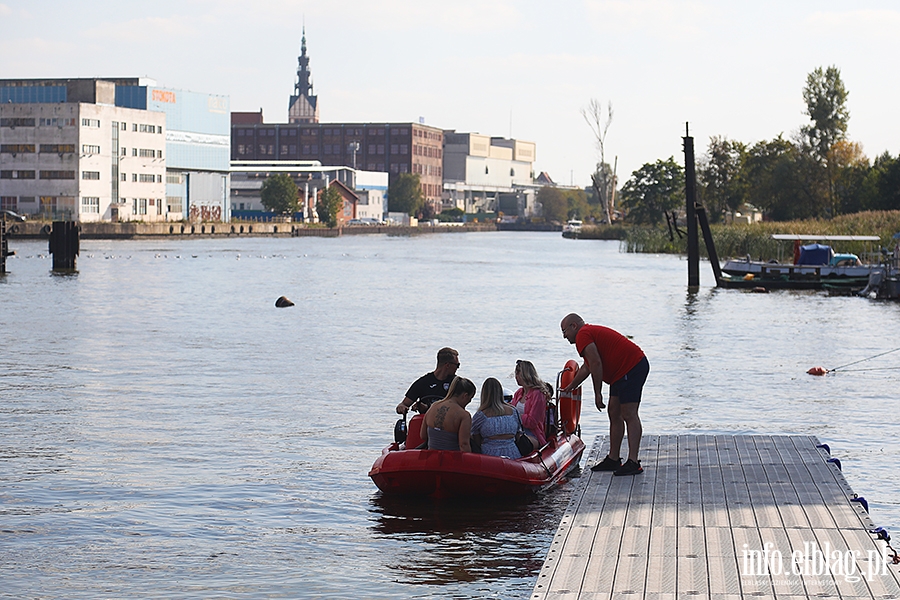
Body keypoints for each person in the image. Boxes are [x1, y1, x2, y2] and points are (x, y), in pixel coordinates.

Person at [560, 313, 649, 476]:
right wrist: (571, 385)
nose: (564, 336)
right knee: (614, 413)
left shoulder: (583, 335)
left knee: (629, 413)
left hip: (632, 366)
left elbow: (596, 363)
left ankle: (634, 462)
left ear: (574, 326)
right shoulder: (586, 334)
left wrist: (597, 393)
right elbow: (587, 367)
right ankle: (614, 458)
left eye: (564, 331)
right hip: (620, 373)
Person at [396, 347, 460, 415]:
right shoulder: (423, 383)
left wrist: (427, 407)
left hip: (448, 421)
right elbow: (403, 404)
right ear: (447, 365)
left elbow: (458, 409)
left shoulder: (458, 384)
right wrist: (402, 407)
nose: (458, 368)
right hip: (425, 421)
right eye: (457, 365)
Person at [421, 376, 476, 451]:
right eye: (470, 399)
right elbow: (464, 444)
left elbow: (423, 435)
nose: (469, 402)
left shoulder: (433, 406)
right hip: (451, 460)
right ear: (465, 395)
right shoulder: (464, 415)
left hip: (432, 458)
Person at [471, 377, 521, 458]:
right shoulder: (513, 411)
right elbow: (518, 434)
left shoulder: (481, 415)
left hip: (489, 455)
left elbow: (475, 437)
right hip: (512, 452)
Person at [511, 360, 552, 449]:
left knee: (521, 443)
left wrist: (516, 416)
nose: (515, 377)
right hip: (517, 431)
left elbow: (532, 422)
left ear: (524, 374)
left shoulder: (538, 394)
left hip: (533, 434)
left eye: (517, 374)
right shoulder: (519, 393)